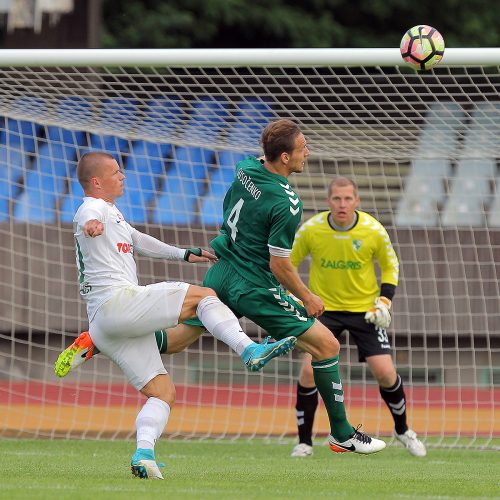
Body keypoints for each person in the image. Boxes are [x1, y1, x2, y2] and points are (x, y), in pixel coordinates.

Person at [58, 121, 386, 455]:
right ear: (285, 157)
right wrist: (308, 296)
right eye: (303, 146)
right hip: (255, 285)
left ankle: (98, 341)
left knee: (178, 340)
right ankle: (341, 433)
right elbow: (279, 265)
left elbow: (258, 165)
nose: (308, 151)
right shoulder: (287, 203)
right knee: (327, 346)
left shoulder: (246, 168)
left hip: (223, 268)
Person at [61, 151, 297, 479]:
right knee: (204, 296)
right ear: (96, 182)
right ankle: (249, 350)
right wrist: (91, 226)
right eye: (116, 172)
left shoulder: (113, 213)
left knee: (163, 393)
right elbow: (87, 217)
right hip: (117, 303)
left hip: (106, 324)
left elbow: (139, 240)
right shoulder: (93, 208)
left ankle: (143, 453)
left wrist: (184, 254)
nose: (123, 176)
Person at [289, 176, 426, 458]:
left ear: (357, 201)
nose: (342, 204)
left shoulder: (373, 230)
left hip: (365, 312)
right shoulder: (311, 230)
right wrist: (299, 298)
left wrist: (384, 302)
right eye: (337, 199)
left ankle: (403, 430)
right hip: (323, 311)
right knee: (307, 372)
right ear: (328, 201)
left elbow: (390, 266)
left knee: (386, 372)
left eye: (347, 198)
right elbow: (287, 264)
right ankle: (304, 443)